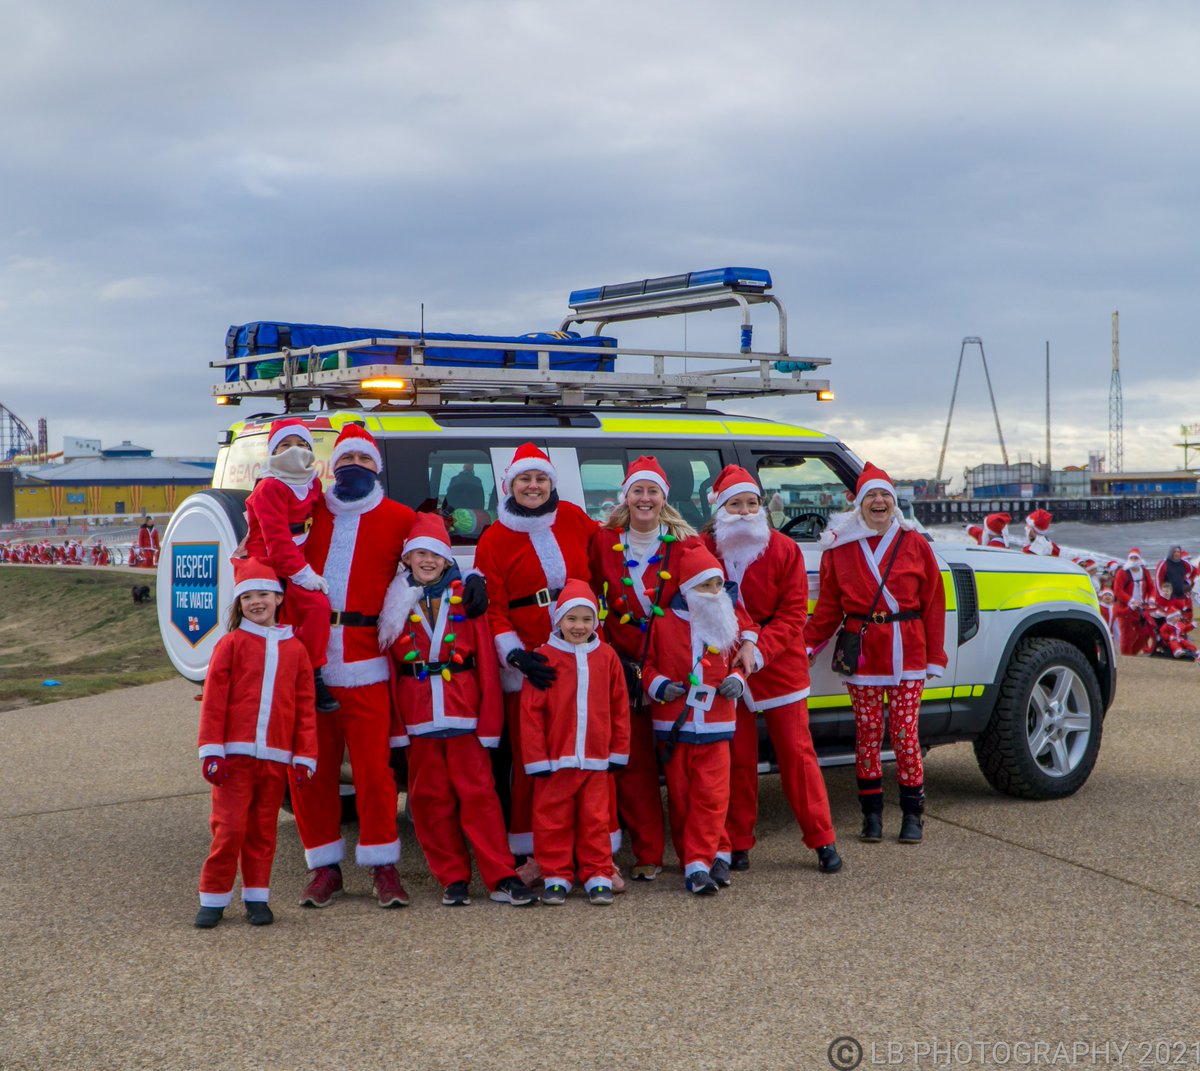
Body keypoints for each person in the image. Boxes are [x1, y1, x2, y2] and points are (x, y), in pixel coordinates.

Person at [290, 425, 447, 910]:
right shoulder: (309, 512)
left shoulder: (400, 517)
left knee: (375, 772)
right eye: (347, 456)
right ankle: (324, 868)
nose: (355, 463)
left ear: (377, 465)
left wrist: (461, 582)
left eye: (364, 456)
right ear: (333, 465)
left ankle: (383, 865)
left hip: (367, 660)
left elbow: (433, 556)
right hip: (310, 658)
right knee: (311, 769)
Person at [378, 513, 536, 908]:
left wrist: (489, 722)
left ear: (448, 560)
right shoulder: (393, 601)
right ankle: (452, 878)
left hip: (464, 711)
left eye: (435, 554)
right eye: (419, 554)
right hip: (418, 715)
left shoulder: (466, 596)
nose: (427, 561)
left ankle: (501, 876)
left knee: (480, 797)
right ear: (408, 559)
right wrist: (396, 727)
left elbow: (485, 658)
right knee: (430, 800)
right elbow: (388, 666)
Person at [701, 464, 841, 876]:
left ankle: (822, 839)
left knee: (798, 757)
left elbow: (794, 612)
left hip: (779, 664)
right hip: (725, 666)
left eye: (751, 503)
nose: (744, 512)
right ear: (720, 508)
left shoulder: (783, 549)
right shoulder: (703, 549)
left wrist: (758, 648)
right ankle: (738, 842)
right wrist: (741, 645)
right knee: (736, 759)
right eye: (735, 504)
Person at [806, 463, 947, 845]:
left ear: (893, 502)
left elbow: (934, 602)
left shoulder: (914, 542)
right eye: (871, 495)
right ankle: (871, 816)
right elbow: (830, 607)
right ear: (859, 504)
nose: (879, 501)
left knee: (904, 734)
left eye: (884, 495)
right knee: (867, 734)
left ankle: (913, 814)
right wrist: (806, 644)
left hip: (909, 651)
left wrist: (936, 655)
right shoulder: (841, 548)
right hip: (863, 651)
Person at [474, 442, 601, 863]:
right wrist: (515, 656)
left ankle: (590, 845)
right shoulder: (493, 538)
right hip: (529, 663)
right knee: (533, 759)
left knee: (583, 749)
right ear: (509, 484)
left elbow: (607, 562)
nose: (533, 486)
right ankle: (531, 851)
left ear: (551, 482)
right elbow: (493, 607)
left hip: (581, 649)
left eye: (540, 478)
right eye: (525, 479)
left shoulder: (574, 519)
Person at [588, 455, 697, 881]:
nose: (645, 498)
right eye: (638, 490)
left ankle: (695, 854)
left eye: (652, 491)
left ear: (663, 499)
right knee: (634, 768)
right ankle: (649, 854)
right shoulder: (603, 542)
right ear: (626, 497)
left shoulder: (685, 544)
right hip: (625, 668)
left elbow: (709, 602)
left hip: (672, 669)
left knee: (680, 765)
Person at [194, 557, 318, 929]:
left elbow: (305, 708)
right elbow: (214, 701)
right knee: (229, 828)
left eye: (263, 594)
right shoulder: (230, 644)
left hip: (276, 759)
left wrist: (305, 756)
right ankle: (213, 898)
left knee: (263, 831)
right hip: (234, 758)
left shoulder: (295, 650)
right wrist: (211, 749)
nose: (256, 602)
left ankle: (257, 898)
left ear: (279, 598)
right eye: (248, 597)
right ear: (239, 604)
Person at [643, 544, 747, 896]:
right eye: (706, 586)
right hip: (674, 725)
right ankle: (718, 852)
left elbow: (739, 662)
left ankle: (697, 865)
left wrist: (739, 680)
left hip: (717, 724)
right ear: (687, 587)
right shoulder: (662, 621)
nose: (715, 593)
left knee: (713, 795)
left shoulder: (727, 617)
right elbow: (647, 666)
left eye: (718, 585)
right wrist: (658, 685)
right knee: (683, 796)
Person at [521, 581, 630, 906]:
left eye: (586, 619)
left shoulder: (607, 656)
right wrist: (537, 759)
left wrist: (619, 751)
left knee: (596, 820)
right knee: (551, 820)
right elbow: (531, 713)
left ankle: (597, 874)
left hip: (596, 759)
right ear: (558, 620)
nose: (579, 626)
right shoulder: (544, 657)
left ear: (595, 621)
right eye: (571, 619)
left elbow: (619, 706)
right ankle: (556, 877)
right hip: (556, 761)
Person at [243, 419, 335, 712]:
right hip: (267, 564)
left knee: (317, 609)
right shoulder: (270, 487)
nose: (294, 451)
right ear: (273, 450)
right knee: (270, 613)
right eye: (285, 445)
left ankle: (312, 673)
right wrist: (302, 574)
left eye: (301, 445)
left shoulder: (311, 482)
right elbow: (276, 541)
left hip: (295, 562)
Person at [1113, 548, 1157, 656]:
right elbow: (1118, 591)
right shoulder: (1122, 573)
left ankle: (1132, 654)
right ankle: (1126, 656)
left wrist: (1151, 599)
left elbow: (1152, 588)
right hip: (1125, 608)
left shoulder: (1145, 572)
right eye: (1131, 558)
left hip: (1141, 609)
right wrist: (1131, 601)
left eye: (1135, 558)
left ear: (1139, 559)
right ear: (1128, 559)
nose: (1133, 560)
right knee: (1126, 636)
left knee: (1145, 633)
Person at [1153, 581, 1198, 659]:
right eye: (1164, 591)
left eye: (1167, 591)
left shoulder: (1175, 600)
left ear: (1171, 591)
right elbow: (1163, 633)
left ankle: (1194, 651)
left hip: (1175, 623)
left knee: (1186, 642)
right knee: (1173, 642)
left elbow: (1184, 628)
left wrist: (1191, 625)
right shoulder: (1159, 599)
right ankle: (1177, 651)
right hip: (1163, 619)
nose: (1166, 593)